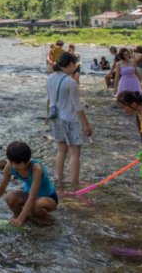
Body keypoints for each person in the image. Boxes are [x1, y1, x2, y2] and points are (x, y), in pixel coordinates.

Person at [0, 141, 58, 226]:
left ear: (27, 161)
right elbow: (0, 190)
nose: (14, 166)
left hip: (48, 198)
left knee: (36, 206)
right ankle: (23, 218)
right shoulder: (9, 167)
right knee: (10, 197)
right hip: (29, 195)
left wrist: (20, 219)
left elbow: (32, 198)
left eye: (17, 163)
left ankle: (48, 222)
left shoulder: (36, 169)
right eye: (11, 162)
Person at [46, 52, 92, 189]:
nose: (76, 67)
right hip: (70, 119)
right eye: (75, 65)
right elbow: (77, 106)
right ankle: (75, 182)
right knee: (75, 153)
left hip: (55, 118)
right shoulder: (70, 82)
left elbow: (49, 99)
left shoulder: (50, 78)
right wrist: (86, 125)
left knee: (61, 150)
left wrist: (46, 115)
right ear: (70, 64)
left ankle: (59, 179)